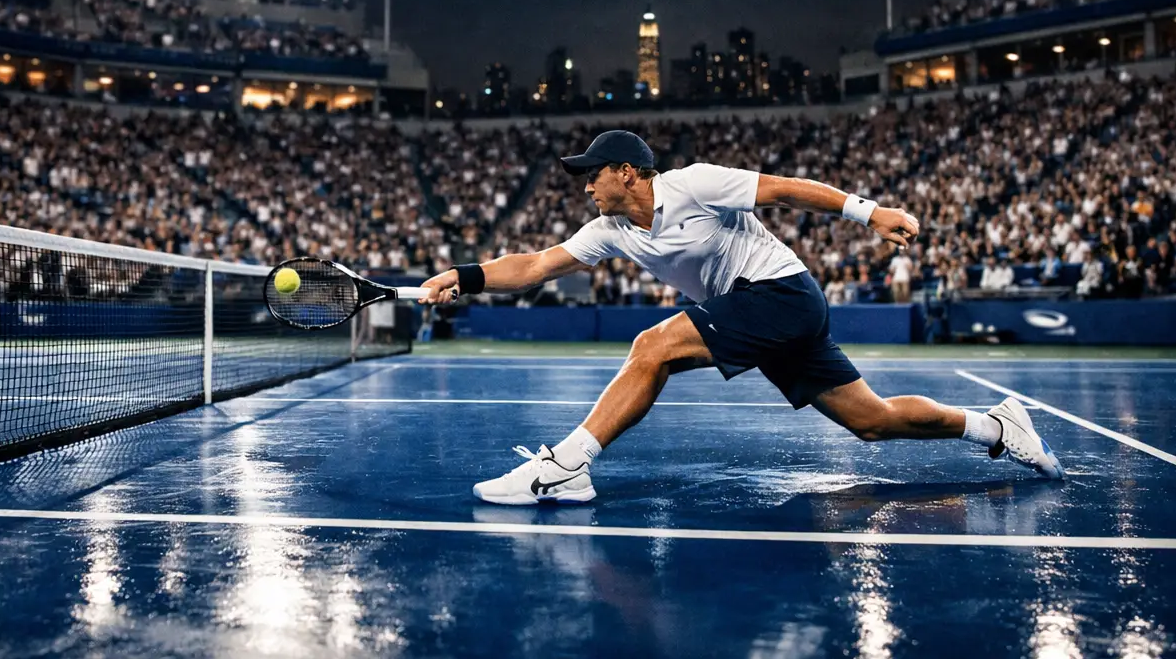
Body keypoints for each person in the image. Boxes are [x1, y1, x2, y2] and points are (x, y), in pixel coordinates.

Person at [418, 130, 1063, 505]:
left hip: (780, 293)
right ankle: (996, 428)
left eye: (592, 175)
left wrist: (870, 212)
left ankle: (566, 467)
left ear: (626, 172)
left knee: (653, 345)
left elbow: (780, 188)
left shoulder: (694, 183)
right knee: (873, 421)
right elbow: (533, 266)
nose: (584, 185)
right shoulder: (610, 229)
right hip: (766, 314)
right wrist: (463, 277)